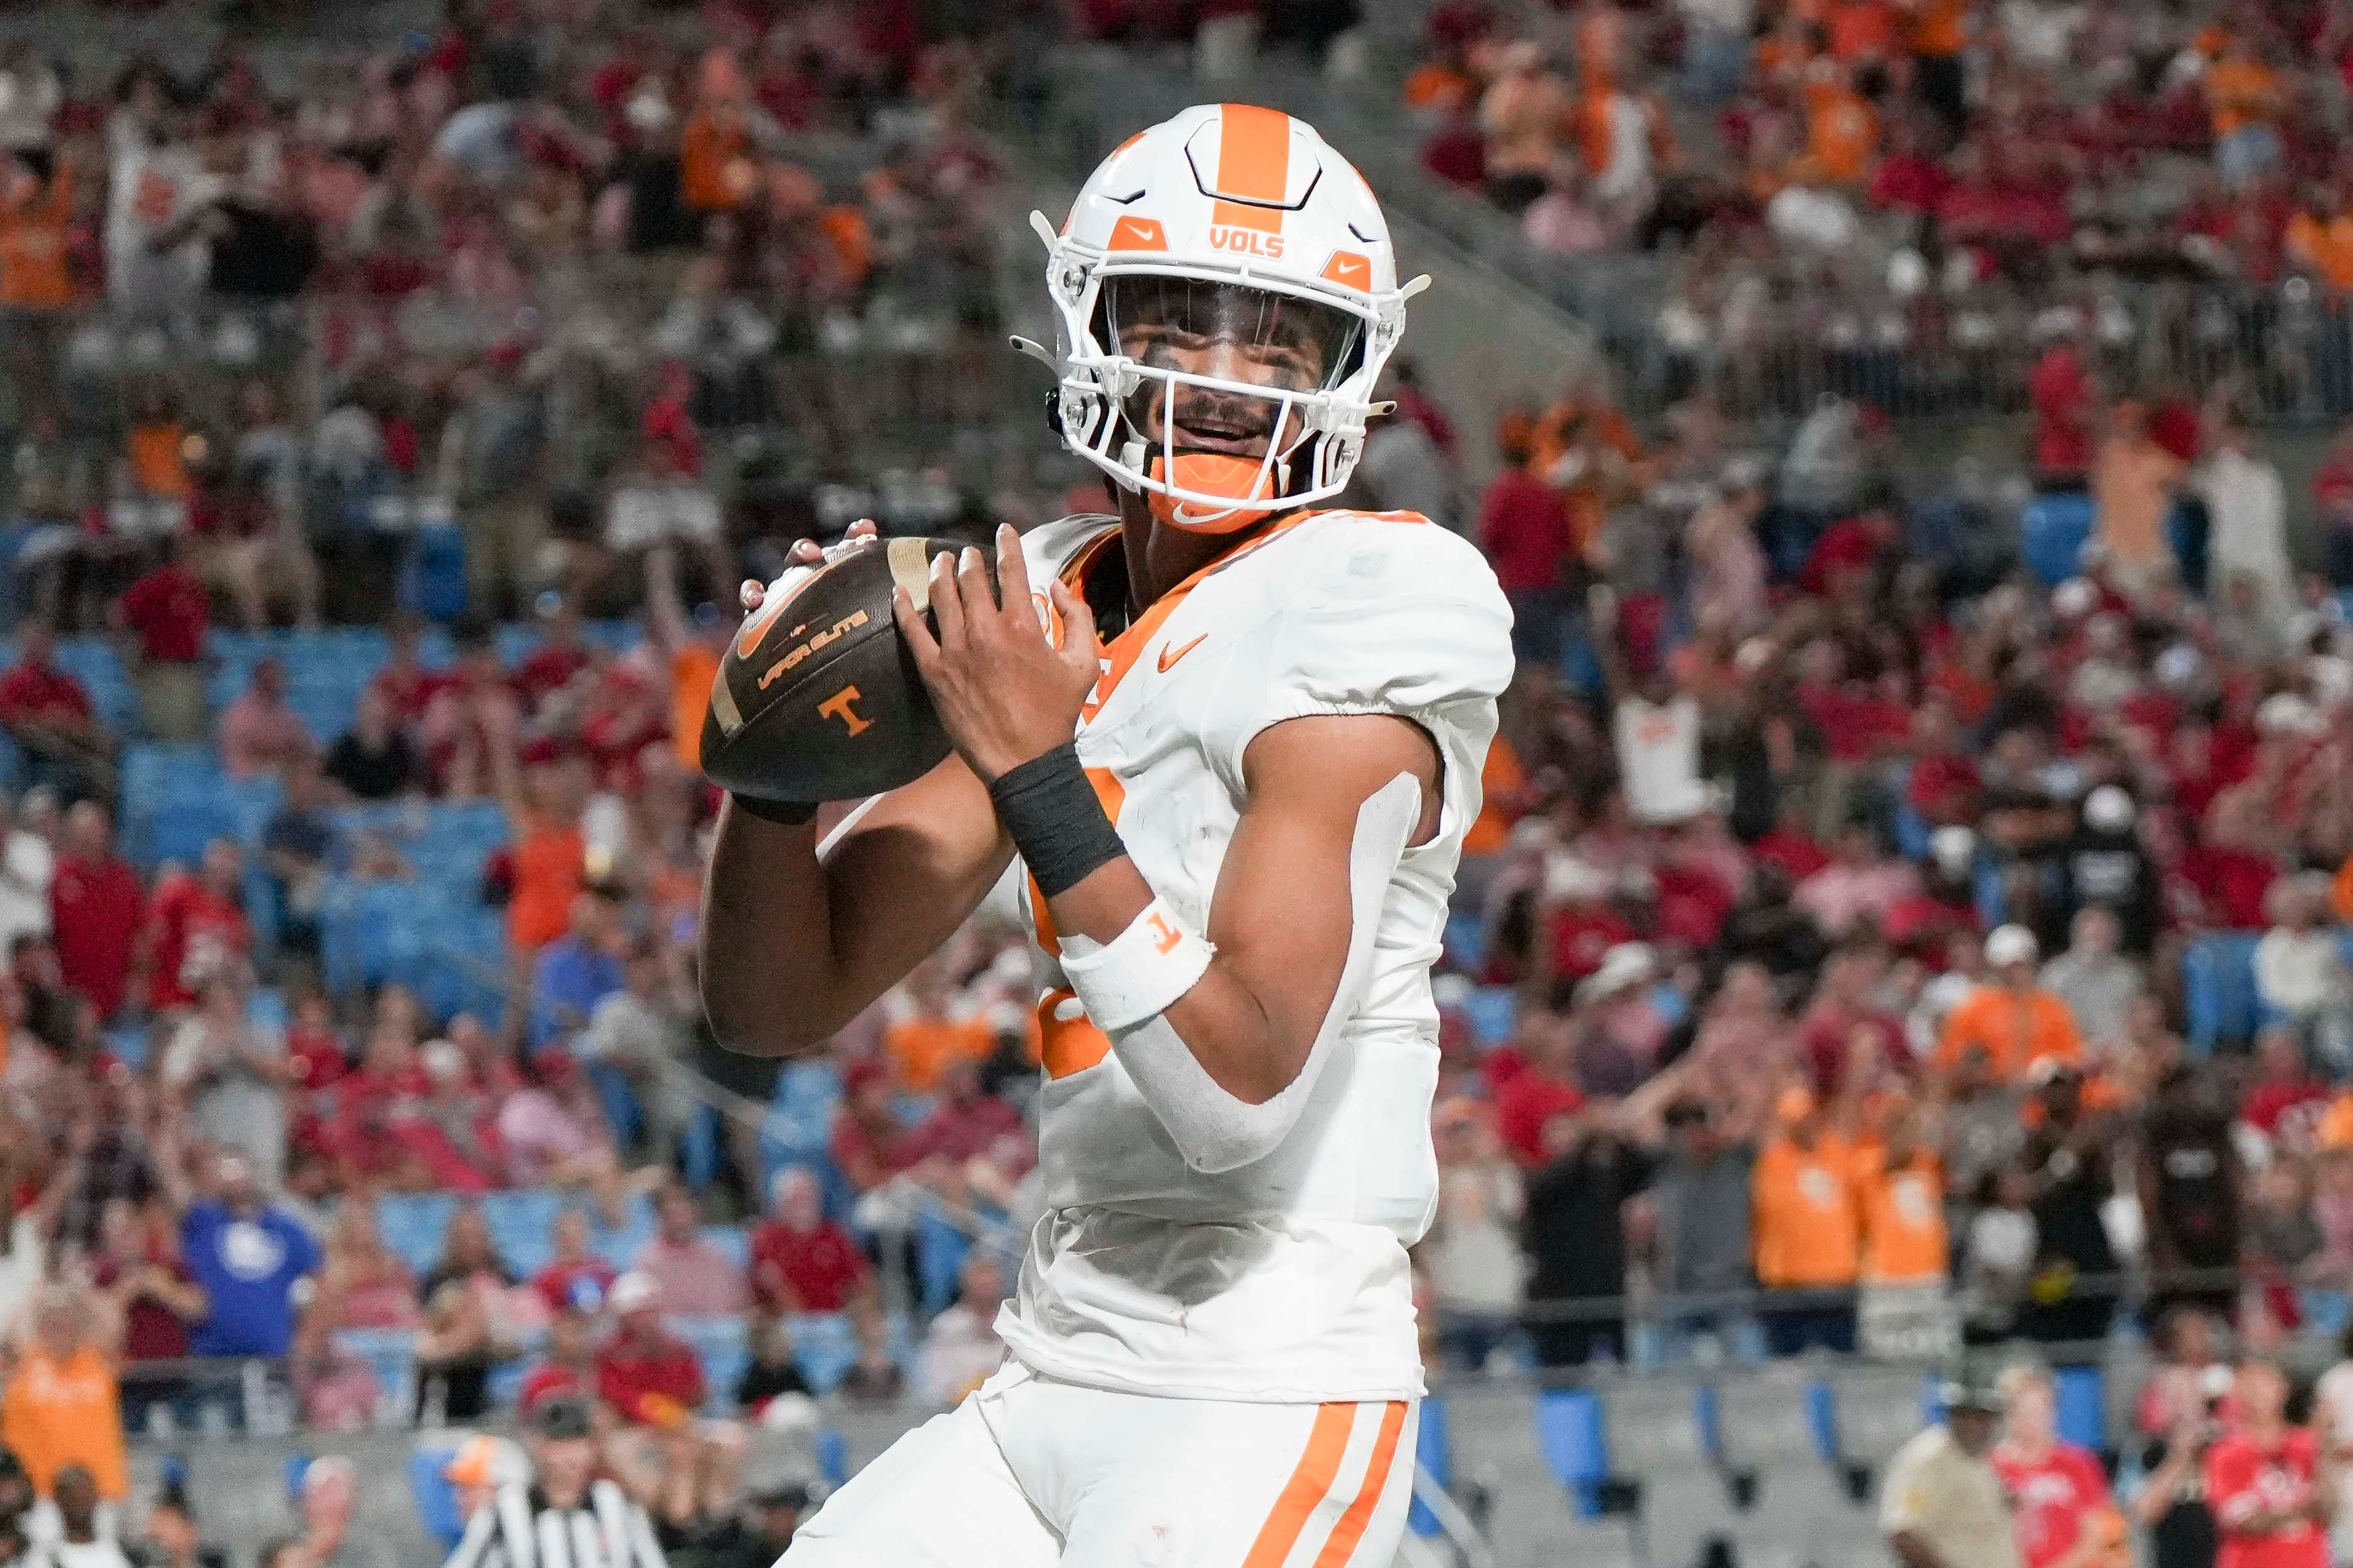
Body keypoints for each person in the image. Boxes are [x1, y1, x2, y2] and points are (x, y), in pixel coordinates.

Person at [703, 102, 1510, 1568]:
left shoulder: (1376, 598)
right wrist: (777, 766)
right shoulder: (1048, 596)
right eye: (1181, 324)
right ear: (1091, 329)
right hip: (1054, 1362)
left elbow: (1238, 1096)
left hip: (1261, 1387)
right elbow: (773, 1003)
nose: (1223, 379)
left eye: (1278, 343)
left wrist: (1033, 761)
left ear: (1348, 376)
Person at [442, 1396, 667, 1568]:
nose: (571, 1456)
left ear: (593, 1447)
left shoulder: (617, 1503)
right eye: (560, 1444)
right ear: (540, 1447)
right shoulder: (504, 1508)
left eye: (579, 1443)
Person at [1883, 1369, 2023, 1568]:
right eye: (1970, 1415)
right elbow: (1904, 1533)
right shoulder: (1929, 1459)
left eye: (1986, 1417)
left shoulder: (1979, 1458)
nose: (1980, 1426)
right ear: (1955, 1414)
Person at [2206, 1360, 2334, 1568]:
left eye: (2264, 1382)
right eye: (2249, 1384)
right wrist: (2302, 1511)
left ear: (2283, 1389)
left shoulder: (2307, 1445)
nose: (2257, 1392)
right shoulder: (2225, 1453)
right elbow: (2243, 1522)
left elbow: (2328, 1508)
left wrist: (2325, 1445)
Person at [1991, 1366, 2120, 1568]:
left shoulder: (2077, 1463)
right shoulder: (1992, 1468)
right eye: (2024, 1413)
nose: (2033, 1422)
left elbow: (2098, 1533)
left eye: (2040, 1412)